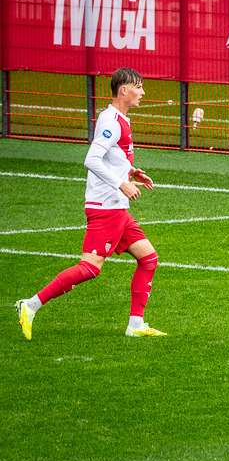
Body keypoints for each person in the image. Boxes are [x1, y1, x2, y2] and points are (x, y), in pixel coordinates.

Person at [14, 68, 165, 339]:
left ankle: (135, 325)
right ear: (124, 90)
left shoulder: (119, 119)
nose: (143, 92)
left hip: (116, 208)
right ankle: (31, 305)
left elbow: (111, 158)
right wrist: (121, 184)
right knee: (90, 267)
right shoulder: (112, 121)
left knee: (148, 258)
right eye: (139, 87)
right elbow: (91, 159)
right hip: (107, 207)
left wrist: (130, 172)